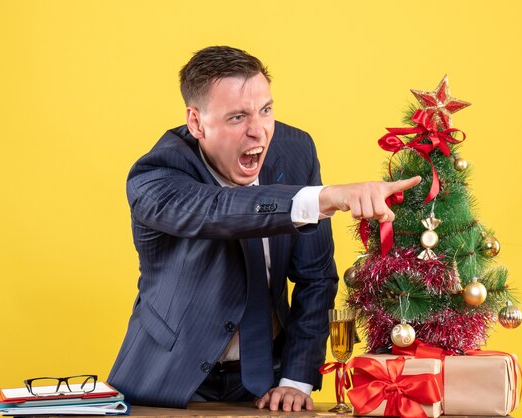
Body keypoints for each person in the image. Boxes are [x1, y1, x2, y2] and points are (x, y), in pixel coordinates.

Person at [108, 46, 420, 412]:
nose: (258, 132)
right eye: (237, 117)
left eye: (266, 110)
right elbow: (218, 211)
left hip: (266, 381)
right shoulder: (156, 175)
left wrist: (295, 379)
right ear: (196, 123)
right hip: (168, 382)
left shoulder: (295, 150)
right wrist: (323, 198)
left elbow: (316, 277)